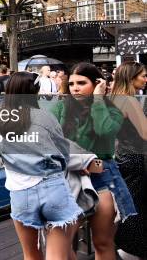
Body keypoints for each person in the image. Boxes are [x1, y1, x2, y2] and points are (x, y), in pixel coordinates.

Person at [0, 72, 84, 260]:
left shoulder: (0, 120)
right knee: (59, 253)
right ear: (34, 92)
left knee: (31, 254)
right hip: (52, 188)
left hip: (19, 193)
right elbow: (63, 151)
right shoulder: (45, 117)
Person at [51, 62, 136, 260]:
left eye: (81, 83)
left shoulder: (111, 109)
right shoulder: (60, 108)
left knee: (102, 242)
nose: (75, 88)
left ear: (97, 83)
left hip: (103, 178)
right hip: (69, 178)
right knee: (61, 244)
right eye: (71, 84)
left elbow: (105, 131)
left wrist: (98, 99)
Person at [110, 62, 147, 259]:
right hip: (136, 158)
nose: (145, 79)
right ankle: (133, 247)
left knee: (131, 204)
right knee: (137, 207)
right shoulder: (129, 101)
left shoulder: (112, 99)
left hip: (122, 156)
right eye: (143, 75)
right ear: (131, 78)